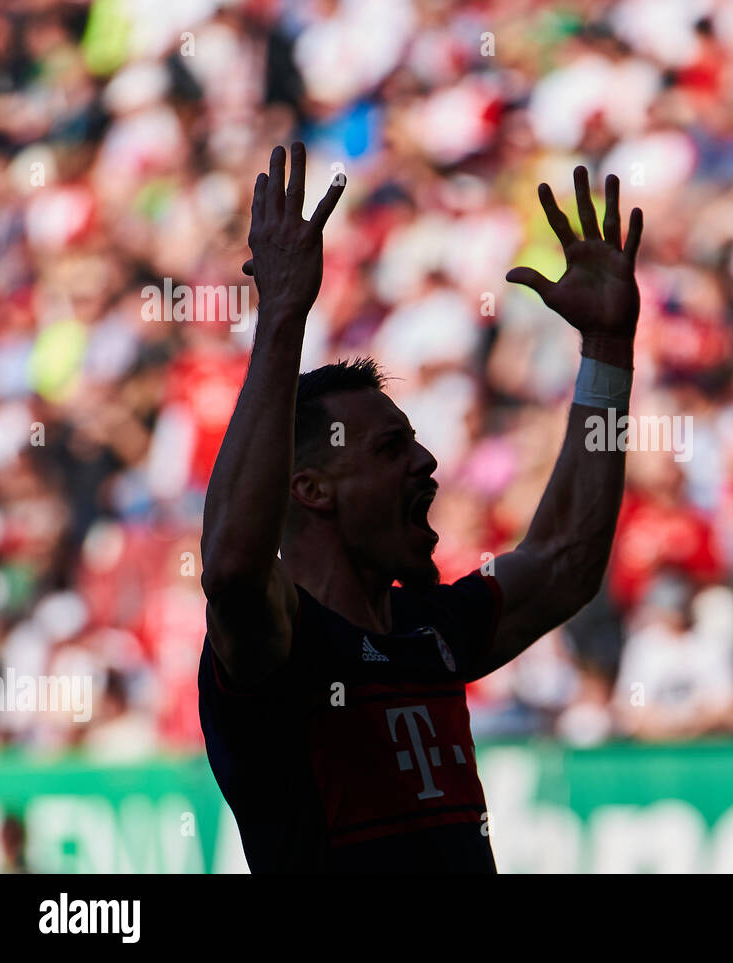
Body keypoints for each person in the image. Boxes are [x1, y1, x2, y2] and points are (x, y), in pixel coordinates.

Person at [197, 142, 643, 873]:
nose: (427, 463)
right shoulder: (277, 643)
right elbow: (232, 564)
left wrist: (606, 351)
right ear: (310, 489)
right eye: (389, 449)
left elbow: (568, 559)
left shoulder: (431, 629)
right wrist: (281, 314)